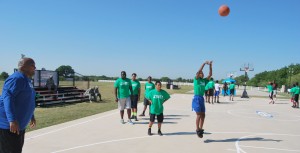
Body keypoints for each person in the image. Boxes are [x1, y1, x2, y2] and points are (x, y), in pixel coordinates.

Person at [0, 57, 36, 153]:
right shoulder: (16, 78)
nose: (35, 68)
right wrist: (12, 120)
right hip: (8, 127)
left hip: (19, 126)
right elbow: (8, 98)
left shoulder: (27, 80)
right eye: (33, 65)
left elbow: (28, 100)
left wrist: (31, 116)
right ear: (24, 67)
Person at [192, 61, 212, 138]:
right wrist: (204, 64)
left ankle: (200, 129)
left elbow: (210, 74)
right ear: (198, 74)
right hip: (196, 98)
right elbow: (199, 71)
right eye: (201, 73)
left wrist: (210, 65)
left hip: (201, 98)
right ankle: (197, 129)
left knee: (203, 115)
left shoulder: (204, 80)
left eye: (202, 73)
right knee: (199, 115)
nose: (202, 73)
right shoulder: (196, 79)